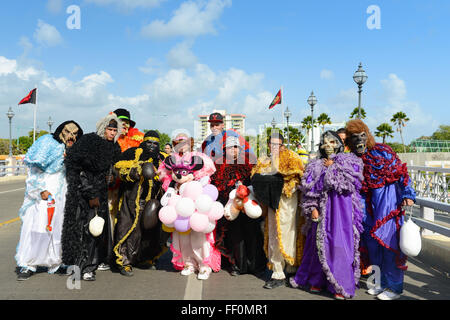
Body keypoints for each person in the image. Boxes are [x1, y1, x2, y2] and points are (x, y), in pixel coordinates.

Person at [345, 119, 416, 300]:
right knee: (371, 246)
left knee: (388, 242)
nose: (359, 141)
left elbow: (402, 173)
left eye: (362, 136)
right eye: (354, 137)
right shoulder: (352, 159)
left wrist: (408, 194)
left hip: (387, 203)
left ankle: (394, 287)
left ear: (367, 136)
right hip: (365, 206)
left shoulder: (382, 151)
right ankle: (379, 283)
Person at [289, 131, 364, 299]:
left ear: (339, 144)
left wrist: (332, 168)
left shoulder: (350, 161)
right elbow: (308, 190)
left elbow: (349, 184)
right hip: (322, 213)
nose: (329, 145)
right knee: (317, 245)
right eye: (325, 142)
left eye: (332, 141)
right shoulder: (315, 164)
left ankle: (340, 284)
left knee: (339, 246)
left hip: (341, 213)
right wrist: (312, 208)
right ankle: (318, 280)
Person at [15, 121, 83, 280]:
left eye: (74, 133)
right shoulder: (47, 142)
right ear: (61, 130)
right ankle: (28, 264)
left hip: (62, 191)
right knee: (39, 224)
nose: (70, 135)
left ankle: (55, 262)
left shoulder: (73, 148)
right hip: (45, 190)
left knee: (59, 226)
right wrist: (40, 190)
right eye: (67, 131)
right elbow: (33, 170)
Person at [61, 113, 122, 281]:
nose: (112, 133)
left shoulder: (114, 147)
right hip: (85, 193)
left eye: (115, 130)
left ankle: (93, 264)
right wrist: (90, 193)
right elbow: (77, 168)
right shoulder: (89, 141)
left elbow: (114, 169)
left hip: (102, 193)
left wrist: (113, 178)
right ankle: (83, 267)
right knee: (85, 231)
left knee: (97, 230)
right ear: (103, 128)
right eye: (110, 129)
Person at [158, 132, 221, 280]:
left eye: (184, 141)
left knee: (198, 235)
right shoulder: (172, 158)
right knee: (181, 236)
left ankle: (204, 266)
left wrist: (194, 184)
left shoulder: (199, 157)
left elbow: (207, 175)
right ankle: (188, 263)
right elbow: (165, 176)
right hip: (178, 202)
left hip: (196, 203)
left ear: (190, 142)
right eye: (178, 141)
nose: (181, 144)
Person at [250, 132, 306, 289]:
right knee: (274, 235)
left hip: (288, 203)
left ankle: (291, 268)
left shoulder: (292, 157)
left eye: (278, 144)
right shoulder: (264, 160)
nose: (275, 147)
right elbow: (256, 177)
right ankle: (278, 271)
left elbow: (298, 177)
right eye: (272, 144)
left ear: (283, 145)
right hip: (272, 204)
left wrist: (286, 187)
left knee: (290, 233)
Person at [113, 130, 168, 276]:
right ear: (143, 142)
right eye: (149, 142)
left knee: (152, 232)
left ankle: (145, 259)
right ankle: (125, 262)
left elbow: (171, 174)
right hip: (133, 199)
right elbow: (120, 169)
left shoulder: (163, 157)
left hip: (155, 201)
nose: (151, 146)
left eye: (155, 143)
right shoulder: (133, 152)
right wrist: (138, 171)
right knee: (129, 229)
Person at [210, 135, 266, 277]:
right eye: (229, 147)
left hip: (249, 202)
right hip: (230, 204)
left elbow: (257, 178)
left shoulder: (249, 160)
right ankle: (237, 265)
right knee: (235, 235)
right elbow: (215, 184)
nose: (233, 150)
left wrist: (247, 191)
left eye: (235, 147)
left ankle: (254, 266)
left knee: (252, 233)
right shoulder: (218, 163)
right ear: (224, 149)